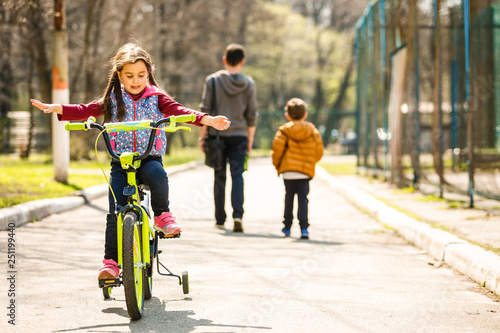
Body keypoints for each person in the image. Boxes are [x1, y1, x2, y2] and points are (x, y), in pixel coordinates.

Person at [30, 42, 230, 279]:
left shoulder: (157, 98)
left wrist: (208, 120)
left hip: (148, 157)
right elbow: (87, 109)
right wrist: (57, 108)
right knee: (115, 211)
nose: (136, 81)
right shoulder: (113, 99)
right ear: (119, 75)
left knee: (157, 175)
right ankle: (111, 263)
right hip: (121, 162)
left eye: (141, 75)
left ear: (149, 74)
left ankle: (162, 216)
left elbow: (181, 111)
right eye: (129, 76)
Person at [199, 43, 258, 233]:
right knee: (238, 175)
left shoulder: (213, 81)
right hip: (240, 135)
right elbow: (252, 115)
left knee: (219, 176)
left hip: (217, 136)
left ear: (225, 60)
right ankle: (238, 215)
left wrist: (202, 137)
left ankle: (220, 219)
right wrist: (249, 139)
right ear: (242, 61)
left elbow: (204, 111)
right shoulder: (249, 84)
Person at [271, 98, 323, 240]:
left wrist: (278, 166)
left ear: (287, 115)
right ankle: (304, 228)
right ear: (305, 114)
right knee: (303, 199)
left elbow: (277, 151)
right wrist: (310, 163)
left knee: (289, 197)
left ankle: (287, 227)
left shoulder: (284, 131)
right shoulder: (312, 131)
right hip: (305, 172)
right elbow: (319, 151)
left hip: (288, 172)